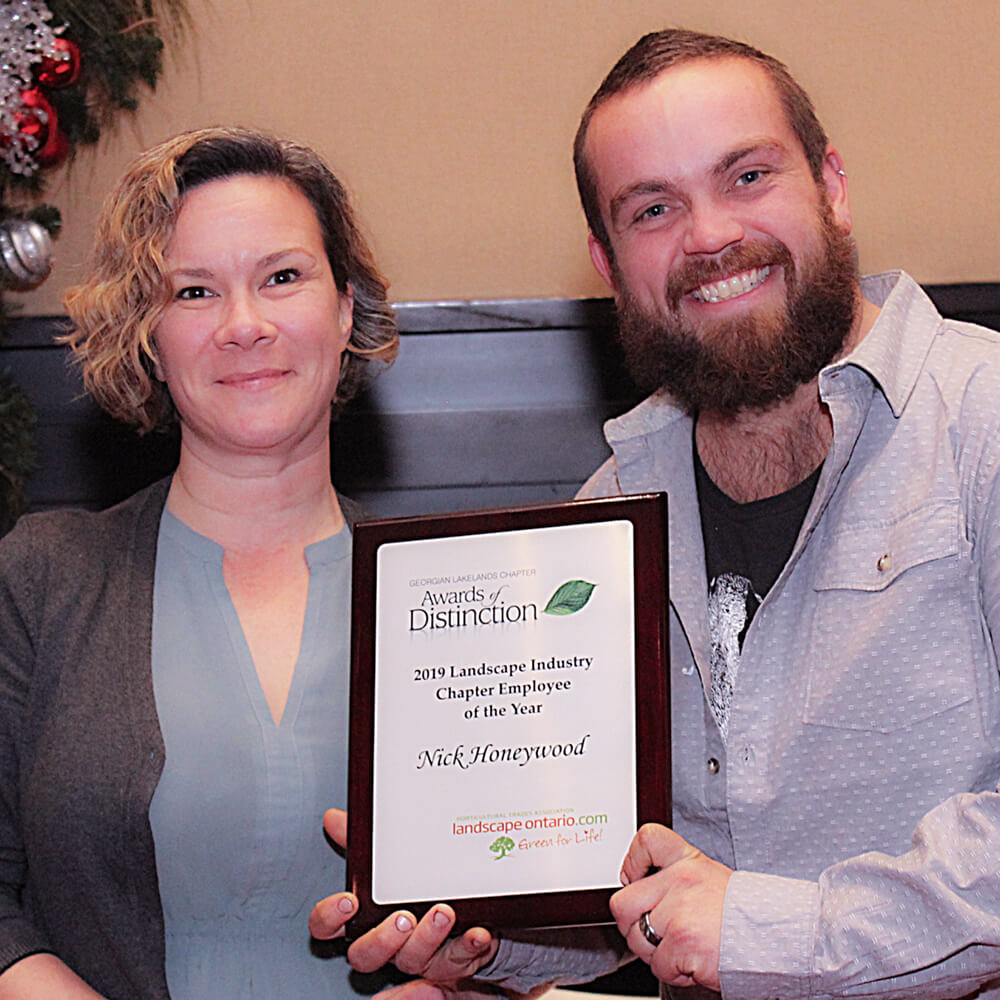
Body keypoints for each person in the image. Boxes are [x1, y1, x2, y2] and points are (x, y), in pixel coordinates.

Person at [312, 27, 1000, 1000]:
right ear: (606, 260)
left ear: (832, 186)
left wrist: (770, 932)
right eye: (652, 208)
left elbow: (728, 928)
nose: (708, 234)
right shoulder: (602, 522)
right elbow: (639, 900)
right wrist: (474, 928)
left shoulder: (983, 419)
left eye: (747, 175)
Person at [0, 126, 398, 998]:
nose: (243, 326)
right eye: (193, 291)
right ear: (149, 336)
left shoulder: (449, 591)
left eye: (282, 276)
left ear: (344, 308)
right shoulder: (40, 582)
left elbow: (522, 893)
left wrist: (468, 975)